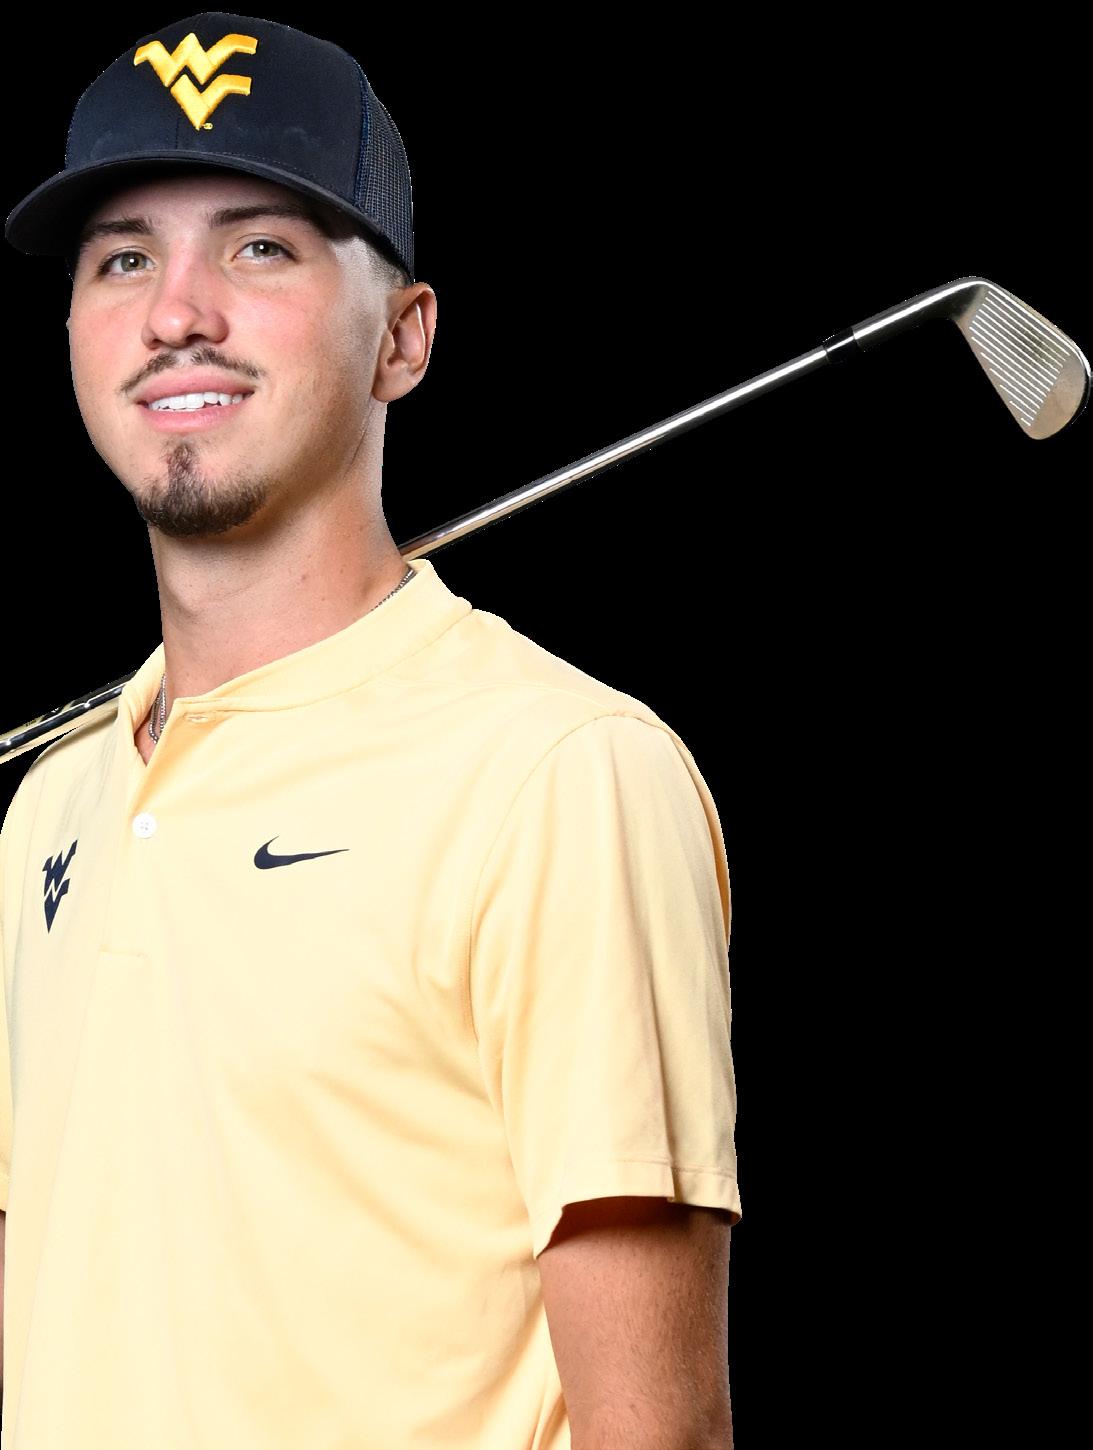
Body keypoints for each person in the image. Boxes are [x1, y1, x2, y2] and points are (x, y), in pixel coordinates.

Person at [0, 12, 742, 1448]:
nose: (176, 313)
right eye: (123, 259)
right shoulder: (51, 809)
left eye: (260, 248)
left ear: (403, 338)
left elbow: (655, 1428)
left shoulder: (557, 776)